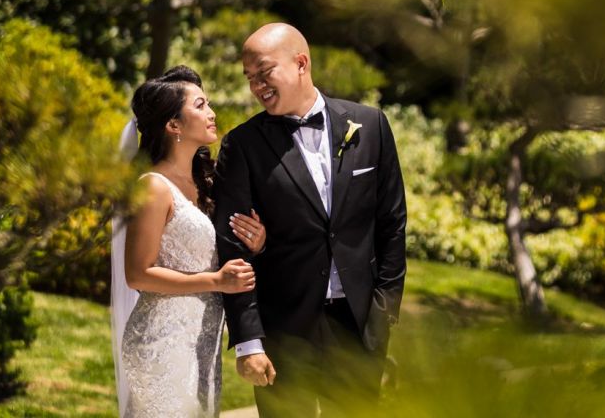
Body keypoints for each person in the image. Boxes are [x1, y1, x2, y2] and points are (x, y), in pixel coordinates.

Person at [213, 23, 407, 417]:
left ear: (301, 63)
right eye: (250, 79)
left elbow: (392, 225)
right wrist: (249, 341)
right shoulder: (243, 145)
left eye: (264, 73)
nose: (257, 87)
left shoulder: (370, 127)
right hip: (284, 330)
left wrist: (382, 317)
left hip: (356, 329)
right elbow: (233, 248)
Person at [112, 65, 267, 418]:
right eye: (200, 105)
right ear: (174, 125)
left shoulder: (206, 183)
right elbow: (138, 274)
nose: (211, 113)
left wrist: (256, 242)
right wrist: (214, 281)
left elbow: (218, 247)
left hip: (203, 338)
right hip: (161, 339)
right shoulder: (152, 188)